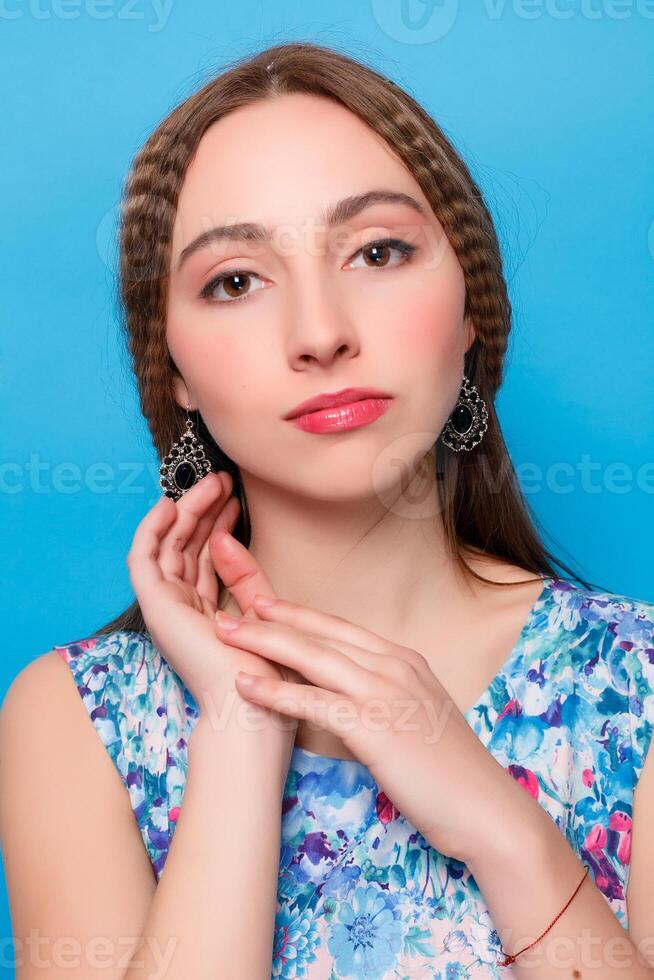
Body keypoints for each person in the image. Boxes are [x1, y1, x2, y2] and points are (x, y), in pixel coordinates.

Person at [1, 40, 653, 980]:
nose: (320, 334)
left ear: (471, 307)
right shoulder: (78, 719)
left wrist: (507, 835)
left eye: (378, 252)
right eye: (235, 281)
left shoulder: (634, 686)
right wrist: (236, 726)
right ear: (174, 369)